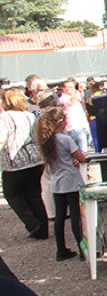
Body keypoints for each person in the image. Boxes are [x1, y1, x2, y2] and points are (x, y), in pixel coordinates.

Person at [36, 107, 86, 262]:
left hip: (57, 182)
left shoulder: (45, 141)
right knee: (76, 216)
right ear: (59, 122)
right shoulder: (65, 139)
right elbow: (82, 157)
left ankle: (61, 249)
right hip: (70, 180)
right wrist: (77, 159)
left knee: (59, 216)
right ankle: (82, 248)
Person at [0, 88, 48, 239]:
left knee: (11, 193)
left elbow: (1, 138)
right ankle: (42, 228)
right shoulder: (30, 115)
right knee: (33, 194)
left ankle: (32, 223)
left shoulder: (5, 117)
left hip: (14, 161)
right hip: (34, 159)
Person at [59, 79, 91, 154]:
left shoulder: (74, 96)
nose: (72, 89)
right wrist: (79, 91)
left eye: (73, 87)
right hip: (73, 128)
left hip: (80, 127)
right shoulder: (63, 98)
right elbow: (71, 101)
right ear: (63, 89)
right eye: (69, 88)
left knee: (83, 152)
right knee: (81, 153)